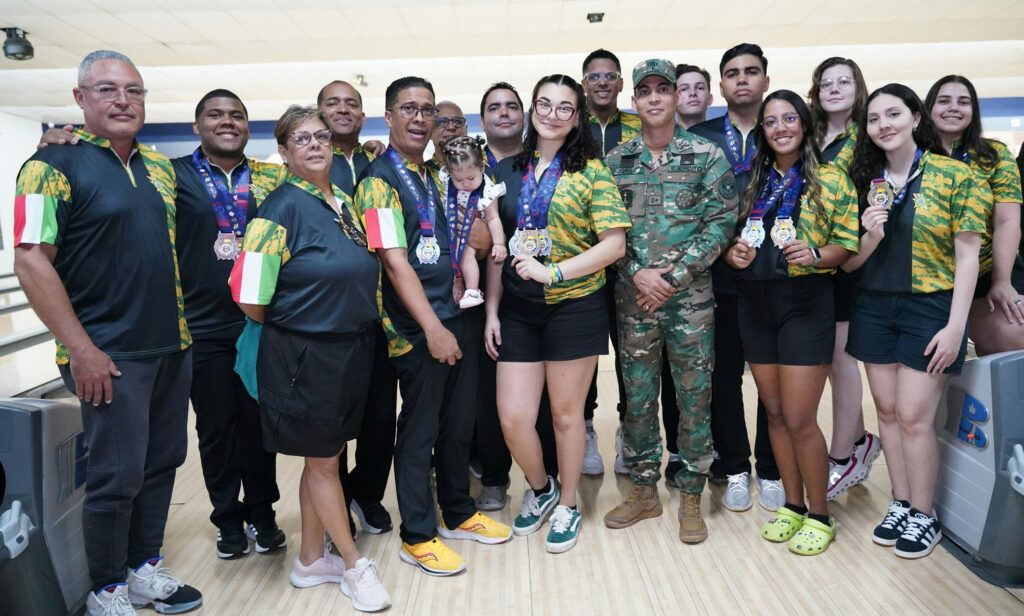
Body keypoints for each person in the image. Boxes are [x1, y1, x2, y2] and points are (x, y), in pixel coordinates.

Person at [13, 50, 202, 616]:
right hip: (108, 353)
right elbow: (31, 259)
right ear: (80, 98)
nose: (123, 100)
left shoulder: (159, 168)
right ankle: (105, 589)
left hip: (170, 344)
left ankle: (143, 569)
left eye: (133, 90)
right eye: (106, 89)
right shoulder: (48, 166)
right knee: (116, 476)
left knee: (162, 463)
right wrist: (81, 349)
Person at [230, 105, 391, 611]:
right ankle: (353, 564)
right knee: (323, 461)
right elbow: (249, 297)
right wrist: (299, 323)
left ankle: (309, 560)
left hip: (348, 348)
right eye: (301, 139)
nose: (316, 144)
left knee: (324, 457)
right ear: (283, 152)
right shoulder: (278, 209)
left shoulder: (340, 200)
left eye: (321, 136)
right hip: (305, 353)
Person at [357, 76, 512, 576]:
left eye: (427, 110)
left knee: (458, 423)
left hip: (457, 314)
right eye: (409, 109)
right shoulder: (378, 181)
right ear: (389, 116)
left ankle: (458, 512)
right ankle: (418, 535)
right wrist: (431, 328)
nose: (420, 118)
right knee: (420, 430)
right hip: (417, 327)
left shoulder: (434, 174)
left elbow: (468, 239)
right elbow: (394, 261)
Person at [485, 73, 630, 553]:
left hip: (575, 306)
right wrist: (492, 312)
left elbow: (614, 244)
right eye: (543, 104)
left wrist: (555, 273)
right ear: (532, 109)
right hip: (518, 311)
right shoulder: (506, 172)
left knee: (567, 418)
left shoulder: (593, 172)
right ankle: (541, 486)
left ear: (577, 117)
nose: (552, 114)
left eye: (564, 107)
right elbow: (497, 248)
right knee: (513, 418)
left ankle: (568, 503)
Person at [845, 84, 988, 559]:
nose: (883, 125)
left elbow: (968, 257)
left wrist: (956, 326)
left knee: (913, 415)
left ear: (914, 118)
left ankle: (925, 514)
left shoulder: (954, 175)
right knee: (886, 411)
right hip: (873, 306)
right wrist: (869, 234)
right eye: (873, 118)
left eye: (893, 114)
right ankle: (901, 503)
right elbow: (851, 263)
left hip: (931, 308)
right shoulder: (864, 179)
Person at [602, 59, 737, 544]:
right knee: (637, 398)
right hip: (634, 300)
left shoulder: (707, 155)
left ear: (678, 97)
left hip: (690, 301)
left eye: (664, 89)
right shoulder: (615, 161)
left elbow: (722, 222)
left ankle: (692, 494)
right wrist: (637, 273)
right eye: (646, 91)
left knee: (694, 397)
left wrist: (674, 277)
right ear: (634, 101)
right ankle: (644, 491)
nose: (655, 97)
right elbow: (604, 228)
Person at [723, 90, 859, 556]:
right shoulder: (749, 180)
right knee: (776, 413)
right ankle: (793, 506)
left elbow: (846, 245)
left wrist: (818, 254)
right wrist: (733, 254)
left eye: (788, 119)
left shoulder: (832, 179)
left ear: (804, 123)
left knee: (800, 418)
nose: (780, 128)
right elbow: (731, 239)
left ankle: (820, 515)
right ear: (762, 130)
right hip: (755, 303)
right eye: (770, 121)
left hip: (806, 303)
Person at [690, 43, 783, 512]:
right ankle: (735, 467)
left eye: (751, 71)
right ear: (721, 85)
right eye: (732, 73)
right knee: (723, 379)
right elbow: (690, 210)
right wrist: (723, 249)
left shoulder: (782, 130)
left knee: (771, 382)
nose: (742, 79)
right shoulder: (700, 137)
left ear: (766, 79)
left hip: (776, 276)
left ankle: (771, 467)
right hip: (719, 278)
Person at [473, 83, 561, 513]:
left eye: (512, 106)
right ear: (483, 118)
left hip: (545, 293)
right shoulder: (468, 165)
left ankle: (545, 477)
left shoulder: (541, 163)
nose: (504, 113)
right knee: (491, 398)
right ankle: (494, 476)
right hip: (484, 295)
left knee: (542, 400)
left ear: (524, 116)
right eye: (495, 107)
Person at [317, 79, 398, 537]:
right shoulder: (308, 165)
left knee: (379, 415)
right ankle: (337, 501)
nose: (343, 110)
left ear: (365, 117)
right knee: (335, 419)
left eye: (352, 104)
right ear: (319, 113)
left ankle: (367, 495)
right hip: (333, 314)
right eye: (333, 103)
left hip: (383, 310)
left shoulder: (376, 163)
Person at [807, 57, 881, 501]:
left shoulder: (868, 137)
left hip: (852, 256)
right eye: (826, 83)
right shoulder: (812, 135)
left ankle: (841, 457)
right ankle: (861, 441)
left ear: (858, 87)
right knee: (832, 359)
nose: (834, 89)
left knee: (840, 358)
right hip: (814, 258)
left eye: (844, 82)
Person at [925, 75, 1024, 354]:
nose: (953, 108)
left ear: (974, 110)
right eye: (944, 101)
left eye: (963, 102)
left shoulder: (995, 154)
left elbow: (1007, 221)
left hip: (987, 270)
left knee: (1015, 330)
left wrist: (1001, 281)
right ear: (928, 109)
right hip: (928, 277)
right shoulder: (913, 156)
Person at [581, 48, 640, 475]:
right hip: (580, 257)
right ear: (584, 83)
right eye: (594, 76)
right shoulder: (570, 127)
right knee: (582, 350)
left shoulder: (639, 127)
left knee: (630, 354)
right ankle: (584, 428)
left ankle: (628, 430)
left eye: (610, 76)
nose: (602, 83)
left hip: (631, 257)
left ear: (620, 84)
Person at [438, 135, 508, 308]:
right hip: (452, 231)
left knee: (466, 254)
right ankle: (458, 284)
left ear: (482, 167)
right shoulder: (448, 181)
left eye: (470, 178)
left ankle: (472, 289)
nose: (465, 184)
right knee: (454, 255)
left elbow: (493, 218)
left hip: (474, 233)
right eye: (458, 180)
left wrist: (499, 244)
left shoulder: (487, 191)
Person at [426, 101, 469, 174]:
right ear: (430, 133)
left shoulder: (484, 169)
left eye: (458, 121)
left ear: (466, 130)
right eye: (441, 122)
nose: (451, 127)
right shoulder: (420, 175)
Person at [675, 63, 715, 130]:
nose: (693, 93)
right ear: (674, 101)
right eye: (684, 89)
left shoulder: (725, 135)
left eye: (700, 88)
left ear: (710, 99)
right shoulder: (661, 136)